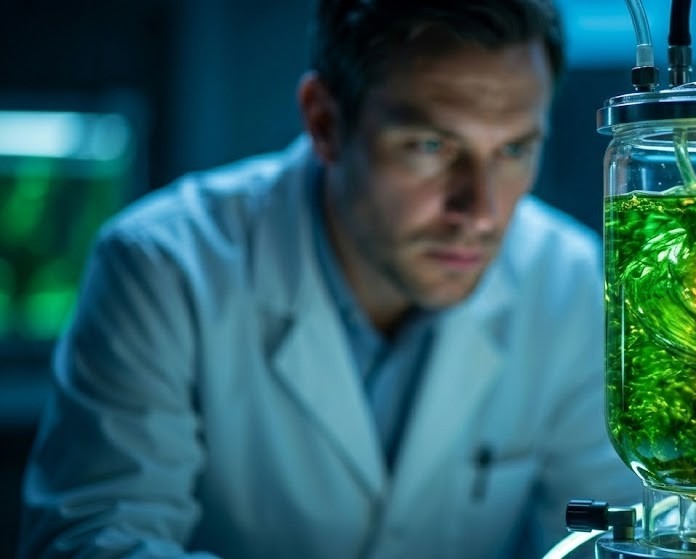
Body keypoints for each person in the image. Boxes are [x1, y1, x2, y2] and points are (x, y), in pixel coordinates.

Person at [17, 1, 641, 558]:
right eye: (429, 145)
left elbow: (629, 533)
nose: (479, 210)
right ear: (324, 121)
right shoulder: (163, 268)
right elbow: (96, 540)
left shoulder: (566, 279)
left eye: (512, 151)